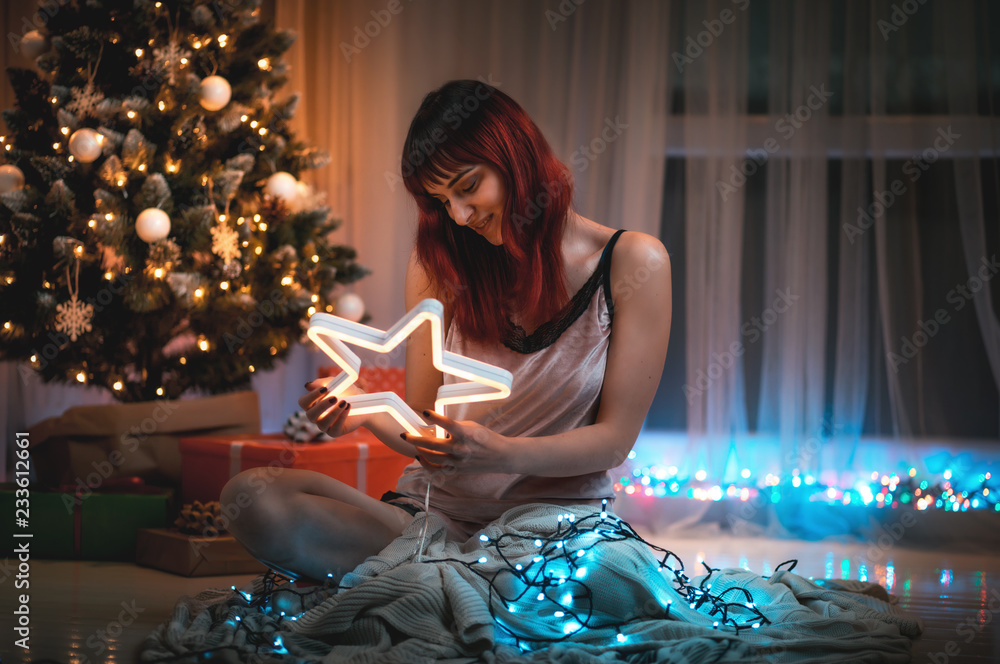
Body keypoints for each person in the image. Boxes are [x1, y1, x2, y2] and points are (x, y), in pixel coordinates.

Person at [221, 80, 672, 583]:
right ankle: (458, 580)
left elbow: (613, 443)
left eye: (468, 186)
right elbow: (423, 430)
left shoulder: (633, 262)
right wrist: (363, 410)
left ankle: (436, 582)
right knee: (253, 498)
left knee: (596, 584)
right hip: (430, 519)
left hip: (556, 532)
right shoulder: (439, 265)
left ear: (515, 156)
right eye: (442, 201)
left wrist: (501, 453)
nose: (459, 216)